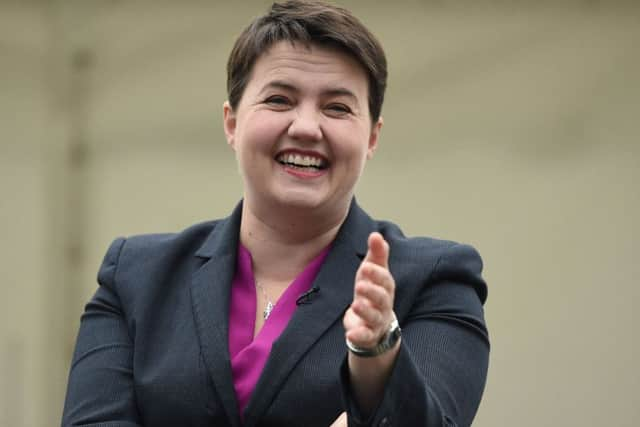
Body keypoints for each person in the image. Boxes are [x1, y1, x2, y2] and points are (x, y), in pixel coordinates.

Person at [61, 1, 489, 426]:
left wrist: (378, 354)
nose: (306, 127)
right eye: (279, 99)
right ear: (231, 123)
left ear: (372, 136)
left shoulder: (433, 279)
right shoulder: (136, 277)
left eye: (337, 107)